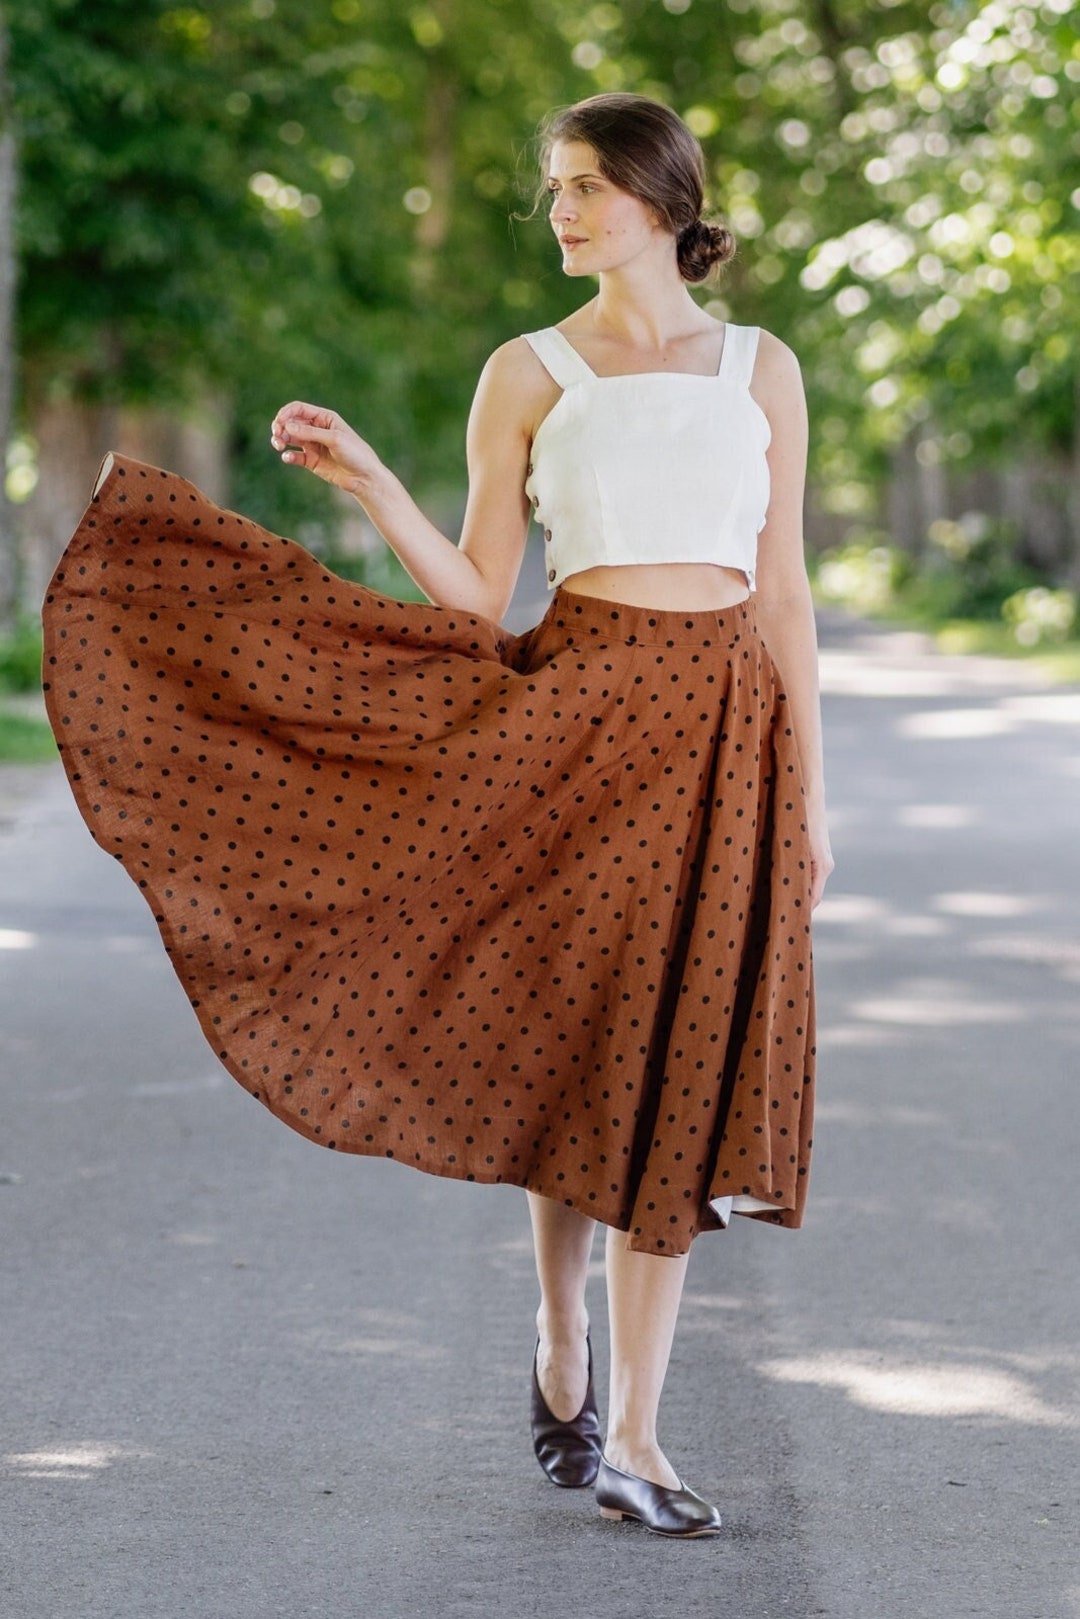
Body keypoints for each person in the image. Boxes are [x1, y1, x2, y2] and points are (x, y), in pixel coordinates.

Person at [43, 93, 832, 1540]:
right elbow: (479, 594)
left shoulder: (763, 370)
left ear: (663, 197)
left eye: (590, 187)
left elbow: (782, 590)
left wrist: (815, 799)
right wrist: (370, 485)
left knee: (676, 1072)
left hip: (730, 741)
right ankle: (561, 1336)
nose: (567, 213)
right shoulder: (525, 372)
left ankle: (643, 1441)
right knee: (583, 1057)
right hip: (581, 725)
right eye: (555, 190)